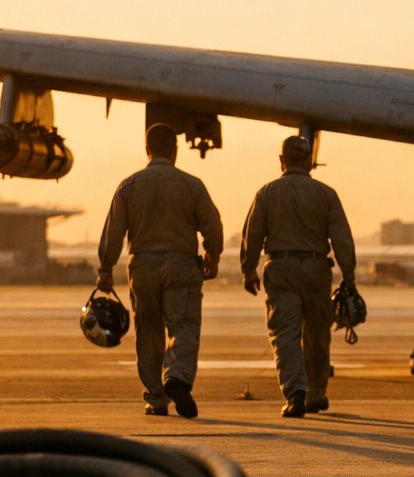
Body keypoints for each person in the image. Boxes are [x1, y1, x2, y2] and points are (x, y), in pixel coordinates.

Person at [98, 123, 223, 418]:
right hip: (181, 263)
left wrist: (105, 269)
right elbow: (212, 224)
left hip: (142, 264)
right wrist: (212, 256)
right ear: (175, 151)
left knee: (148, 332)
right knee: (183, 326)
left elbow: (113, 232)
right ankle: (177, 377)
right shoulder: (191, 185)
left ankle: (155, 398)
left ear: (147, 150)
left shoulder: (129, 186)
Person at [240, 135, 358, 418]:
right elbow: (342, 238)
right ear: (309, 162)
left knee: (285, 334)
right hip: (317, 269)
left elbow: (253, 234)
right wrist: (349, 276)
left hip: (281, 268)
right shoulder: (326, 194)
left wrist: (248, 270)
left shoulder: (267, 193)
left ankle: (295, 392)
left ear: (282, 161)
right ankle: (317, 393)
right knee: (318, 332)